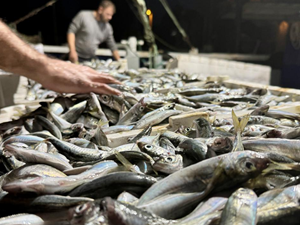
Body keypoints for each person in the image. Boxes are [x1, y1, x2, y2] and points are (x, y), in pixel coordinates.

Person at [0, 20, 121, 96]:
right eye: (108, 14)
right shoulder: (84, 16)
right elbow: (71, 31)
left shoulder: (107, 27)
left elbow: (111, 43)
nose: (110, 17)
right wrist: (42, 68)